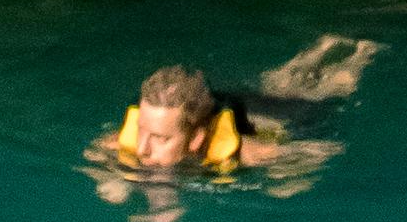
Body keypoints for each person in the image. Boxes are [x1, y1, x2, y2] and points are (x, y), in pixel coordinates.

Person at [89, 32, 376, 180]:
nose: (141, 150)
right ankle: (321, 47)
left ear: (197, 139)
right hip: (233, 106)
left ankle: (363, 53)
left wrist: (291, 176)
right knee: (276, 84)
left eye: (162, 139)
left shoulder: (248, 152)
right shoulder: (131, 144)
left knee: (323, 90)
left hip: (282, 117)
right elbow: (96, 151)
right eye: (142, 131)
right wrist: (109, 178)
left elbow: (324, 150)